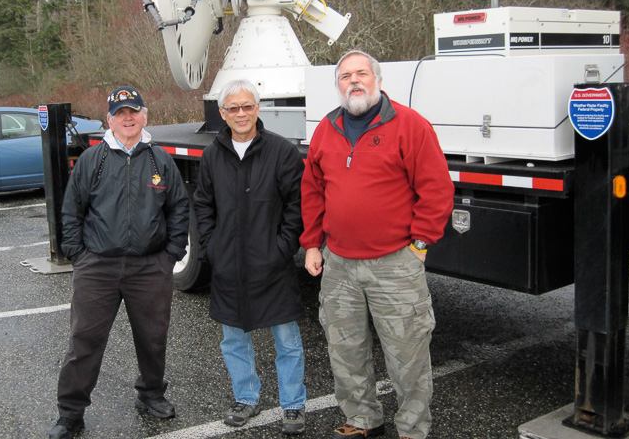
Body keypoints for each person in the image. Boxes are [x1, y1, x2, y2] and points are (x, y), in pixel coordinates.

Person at [301, 51, 454, 439]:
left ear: (378, 80)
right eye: (346, 76)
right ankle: (362, 418)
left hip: (395, 264)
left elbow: (436, 190)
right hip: (339, 264)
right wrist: (313, 244)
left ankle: (413, 428)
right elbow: (312, 190)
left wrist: (419, 244)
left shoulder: (410, 126)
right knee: (345, 349)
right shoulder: (326, 129)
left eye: (361, 74)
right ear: (338, 85)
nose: (354, 81)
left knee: (407, 353)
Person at [48, 86, 190, 439]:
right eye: (120, 113)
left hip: (150, 268)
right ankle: (71, 413)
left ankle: (152, 394)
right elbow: (72, 210)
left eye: (134, 111)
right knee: (84, 341)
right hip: (97, 267)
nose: (128, 118)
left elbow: (179, 209)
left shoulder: (161, 160)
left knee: (153, 338)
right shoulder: (92, 160)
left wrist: (170, 254)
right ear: (109, 119)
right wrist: (79, 255)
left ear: (145, 115)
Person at [194, 79, 308, 435]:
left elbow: (296, 206)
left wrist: (281, 248)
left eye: (247, 106)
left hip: (272, 266)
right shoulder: (213, 154)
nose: (241, 114)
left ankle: (293, 405)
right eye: (233, 108)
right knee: (233, 339)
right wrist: (213, 248)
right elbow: (203, 206)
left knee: (287, 341)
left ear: (258, 109)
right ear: (223, 114)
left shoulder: (281, 151)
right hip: (229, 266)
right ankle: (245, 397)